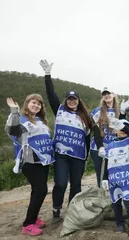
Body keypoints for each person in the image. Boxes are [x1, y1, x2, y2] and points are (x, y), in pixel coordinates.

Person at [39, 60, 92, 223]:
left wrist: (87, 155)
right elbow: (51, 95)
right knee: (61, 183)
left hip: (78, 156)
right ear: (66, 100)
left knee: (76, 185)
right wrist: (47, 75)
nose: (71, 101)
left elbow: (88, 137)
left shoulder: (85, 117)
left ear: (78, 100)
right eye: (69, 99)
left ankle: (73, 210)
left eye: (74, 99)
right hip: (61, 155)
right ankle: (56, 208)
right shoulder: (60, 110)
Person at [5, 95, 55, 236]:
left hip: (43, 161)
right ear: (27, 104)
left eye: (39, 104)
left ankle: (34, 218)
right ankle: (28, 224)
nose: (36, 105)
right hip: (29, 161)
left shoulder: (41, 121)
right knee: (41, 190)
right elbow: (11, 130)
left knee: (36, 191)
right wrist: (14, 111)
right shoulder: (21, 119)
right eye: (33, 102)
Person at [90, 87, 120, 187]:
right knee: (101, 175)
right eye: (104, 94)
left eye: (109, 93)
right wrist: (101, 146)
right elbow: (96, 131)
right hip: (99, 148)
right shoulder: (97, 112)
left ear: (113, 95)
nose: (106, 95)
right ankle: (102, 197)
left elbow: (123, 131)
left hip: (114, 149)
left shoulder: (120, 112)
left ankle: (113, 198)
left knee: (113, 174)